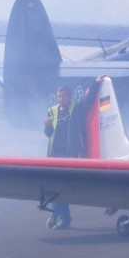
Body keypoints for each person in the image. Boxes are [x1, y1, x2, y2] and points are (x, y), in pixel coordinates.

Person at [43, 84, 87, 229]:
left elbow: (88, 99)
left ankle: (64, 217)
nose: (61, 99)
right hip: (55, 154)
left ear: (69, 96)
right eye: (59, 96)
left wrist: (95, 83)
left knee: (61, 187)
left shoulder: (76, 108)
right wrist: (47, 126)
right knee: (54, 186)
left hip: (69, 154)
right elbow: (48, 134)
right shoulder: (52, 111)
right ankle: (55, 215)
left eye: (64, 96)